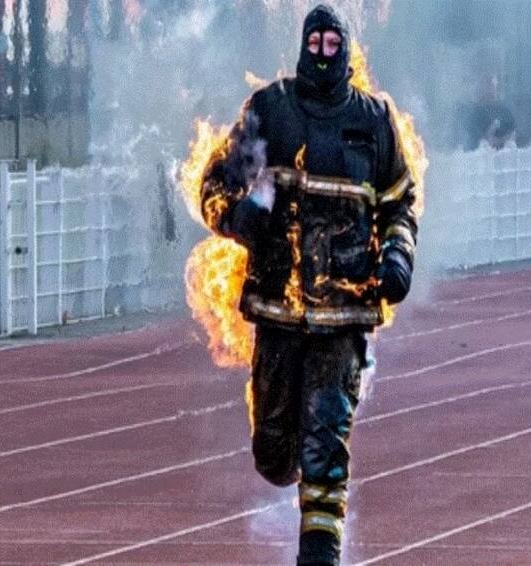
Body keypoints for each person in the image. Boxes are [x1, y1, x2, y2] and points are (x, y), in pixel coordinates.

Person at [201, 5, 416, 565]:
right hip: (276, 309)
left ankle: (318, 555)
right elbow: (214, 182)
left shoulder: (374, 121)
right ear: (303, 45)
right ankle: (289, 458)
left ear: (346, 49)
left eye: (332, 44)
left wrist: (398, 257)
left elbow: (400, 204)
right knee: (273, 452)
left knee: (326, 444)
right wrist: (237, 216)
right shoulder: (269, 110)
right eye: (314, 42)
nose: (323, 52)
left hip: (344, 315)